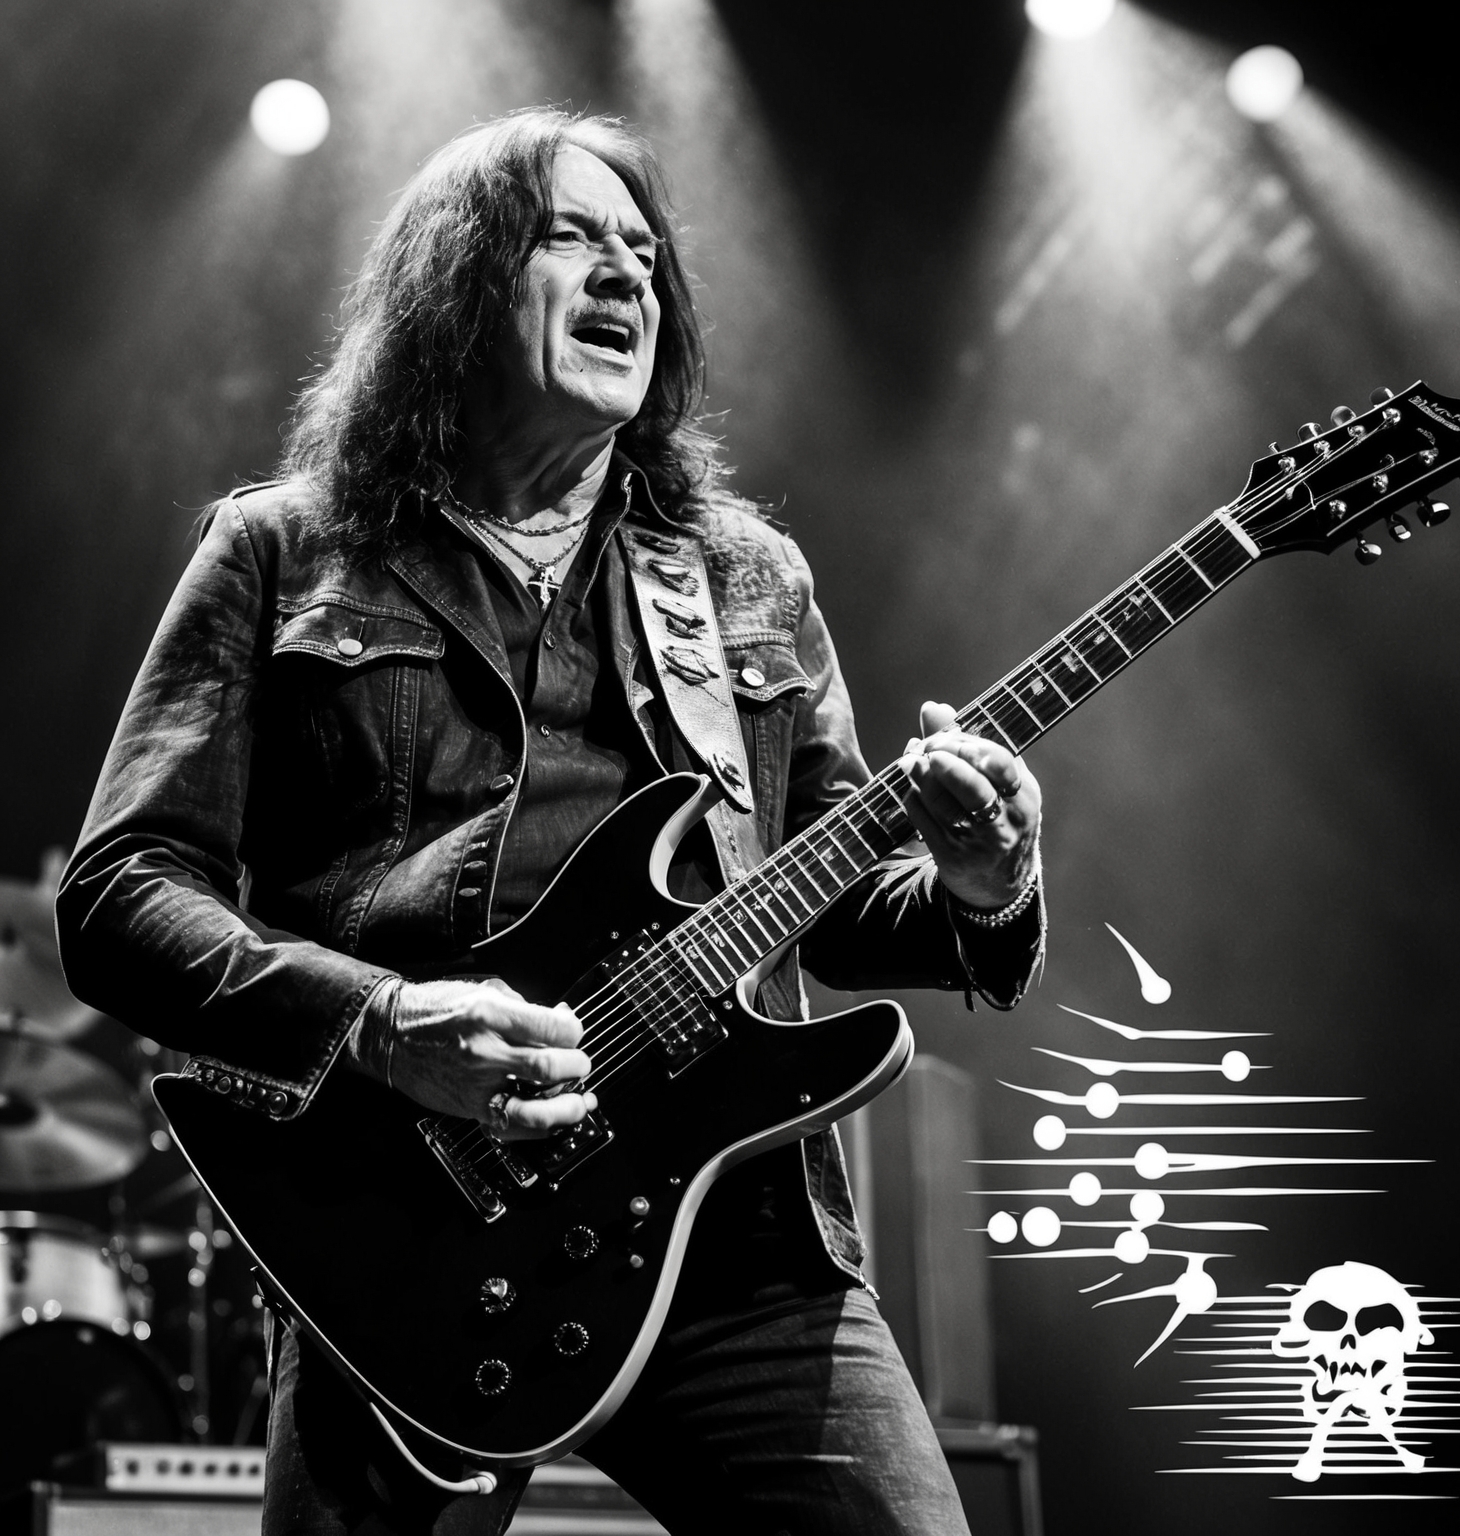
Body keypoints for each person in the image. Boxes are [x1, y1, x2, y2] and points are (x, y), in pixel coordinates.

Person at [57, 108, 1044, 1536]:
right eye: (572, 237)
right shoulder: (285, 553)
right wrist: (384, 1025)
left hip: (736, 1230)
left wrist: (980, 880)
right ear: (453, 285)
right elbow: (123, 893)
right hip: (406, 1228)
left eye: (645, 252)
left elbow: (830, 892)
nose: (626, 276)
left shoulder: (742, 579)